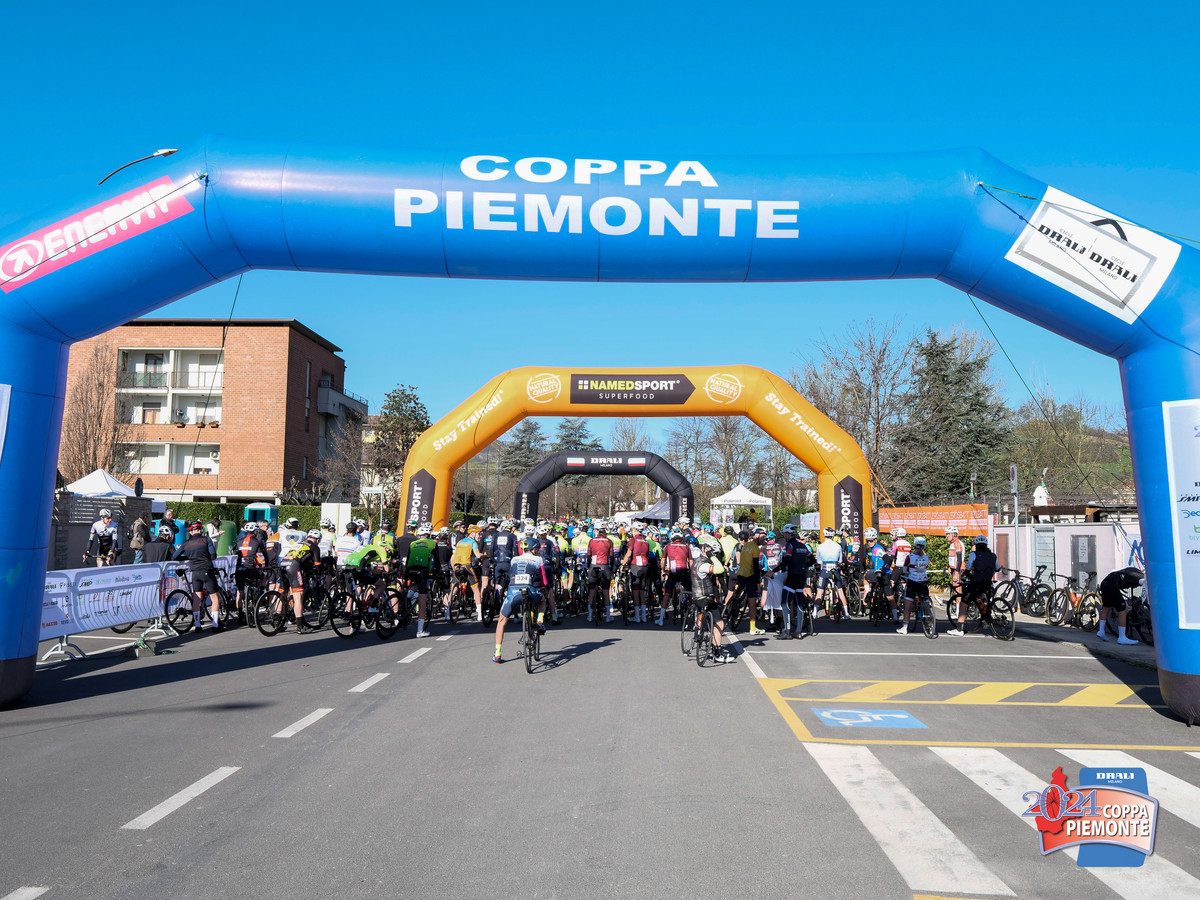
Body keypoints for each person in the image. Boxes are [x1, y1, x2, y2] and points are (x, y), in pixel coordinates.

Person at [494, 537, 548, 663]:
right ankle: (540, 621)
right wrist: (544, 587)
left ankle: (497, 653)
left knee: (501, 621)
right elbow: (544, 580)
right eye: (537, 549)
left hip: (513, 593)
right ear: (534, 550)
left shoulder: (514, 559)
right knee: (543, 599)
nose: (538, 551)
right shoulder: (538, 559)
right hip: (529, 590)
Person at [173, 521, 223, 631]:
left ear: (191, 532)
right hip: (207, 569)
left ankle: (197, 625)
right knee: (215, 597)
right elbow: (213, 556)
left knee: (196, 598)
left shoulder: (186, 543)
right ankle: (215, 625)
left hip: (195, 572)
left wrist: (190, 558)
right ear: (201, 530)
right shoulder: (206, 539)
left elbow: (175, 556)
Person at [947, 534, 999, 635]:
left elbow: (968, 569)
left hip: (976, 583)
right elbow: (997, 568)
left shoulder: (974, 554)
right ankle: (986, 615)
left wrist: (969, 578)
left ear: (976, 545)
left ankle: (959, 629)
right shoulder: (993, 555)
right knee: (982, 595)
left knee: (964, 602)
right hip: (988, 583)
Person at [281, 529, 323, 634]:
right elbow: (317, 564)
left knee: (283, 592)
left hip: (283, 563)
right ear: (317, 540)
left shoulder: (299, 543)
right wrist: (319, 571)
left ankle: (277, 620)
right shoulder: (314, 546)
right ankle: (300, 627)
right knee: (298, 596)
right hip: (293, 565)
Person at [779, 524, 813, 638]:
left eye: (785, 534)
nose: (784, 536)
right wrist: (803, 565)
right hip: (802, 576)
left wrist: (775, 570)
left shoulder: (790, 545)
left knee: (785, 602)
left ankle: (787, 631)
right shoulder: (803, 546)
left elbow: (787, 560)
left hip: (792, 575)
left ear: (788, 534)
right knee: (799, 603)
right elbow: (812, 559)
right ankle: (798, 632)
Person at [405, 524, 438, 637]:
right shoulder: (432, 543)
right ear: (428, 535)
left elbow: (408, 558)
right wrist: (438, 573)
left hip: (410, 570)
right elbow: (436, 560)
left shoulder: (413, 543)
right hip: (423, 571)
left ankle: (407, 598)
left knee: (415, 584)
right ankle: (420, 631)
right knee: (422, 600)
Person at [1097, 566, 1145, 645]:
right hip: (1112, 586)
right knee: (1123, 611)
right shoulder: (1137, 576)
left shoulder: (1123, 572)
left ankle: (1101, 631)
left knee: (1106, 608)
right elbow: (1142, 582)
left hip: (1104, 584)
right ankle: (1122, 637)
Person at [896, 535, 931, 635]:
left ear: (915, 546)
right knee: (926, 603)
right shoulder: (926, 558)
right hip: (923, 582)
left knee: (908, 606)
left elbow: (905, 570)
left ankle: (905, 627)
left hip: (912, 582)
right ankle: (930, 624)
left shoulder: (909, 557)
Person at [659, 529, 692, 627]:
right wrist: (690, 572)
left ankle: (660, 619)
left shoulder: (668, 546)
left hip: (673, 572)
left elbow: (663, 561)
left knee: (667, 594)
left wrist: (663, 570)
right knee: (690, 593)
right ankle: (694, 617)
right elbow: (691, 562)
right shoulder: (686, 547)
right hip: (684, 572)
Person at [451, 526, 483, 620]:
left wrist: (454, 569)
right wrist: (484, 556)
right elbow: (478, 555)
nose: (480, 536)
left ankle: (448, 612)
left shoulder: (459, 542)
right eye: (479, 534)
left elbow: (452, 559)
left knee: (454, 588)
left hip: (457, 566)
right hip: (467, 566)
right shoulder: (473, 542)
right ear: (473, 533)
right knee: (476, 589)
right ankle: (480, 614)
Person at [622, 524, 652, 624]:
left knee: (635, 592)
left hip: (636, 567)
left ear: (635, 530)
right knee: (641, 592)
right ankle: (643, 616)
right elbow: (647, 555)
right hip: (644, 567)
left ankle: (637, 617)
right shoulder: (646, 541)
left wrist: (623, 564)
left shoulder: (633, 539)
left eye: (632, 530)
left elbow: (629, 553)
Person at [587, 524, 617, 623]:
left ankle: (589, 615)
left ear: (597, 531)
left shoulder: (592, 541)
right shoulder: (609, 541)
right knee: (605, 590)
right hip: (604, 566)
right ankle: (608, 616)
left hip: (593, 565)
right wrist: (611, 568)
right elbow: (611, 557)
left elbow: (588, 555)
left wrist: (588, 567)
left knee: (592, 589)